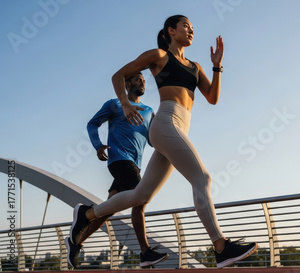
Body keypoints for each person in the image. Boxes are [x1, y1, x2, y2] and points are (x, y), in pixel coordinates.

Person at [69, 15, 258, 268]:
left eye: (192, 28)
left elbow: (212, 98)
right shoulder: (159, 56)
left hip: (180, 127)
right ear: (171, 30)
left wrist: (217, 66)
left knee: (140, 194)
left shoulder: (196, 66)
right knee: (203, 179)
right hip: (166, 122)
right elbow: (118, 75)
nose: (191, 31)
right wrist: (125, 105)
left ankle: (87, 213)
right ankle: (220, 246)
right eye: (185, 26)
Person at [65, 72, 168, 268]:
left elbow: (153, 142)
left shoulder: (148, 111)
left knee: (107, 210)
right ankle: (145, 252)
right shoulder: (115, 104)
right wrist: (98, 145)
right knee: (140, 199)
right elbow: (92, 124)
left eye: (145, 81)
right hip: (119, 159)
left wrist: (163, 128)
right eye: (138, 79)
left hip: (134, 164)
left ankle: (75, 241)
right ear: (127, 84)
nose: (143, 83)